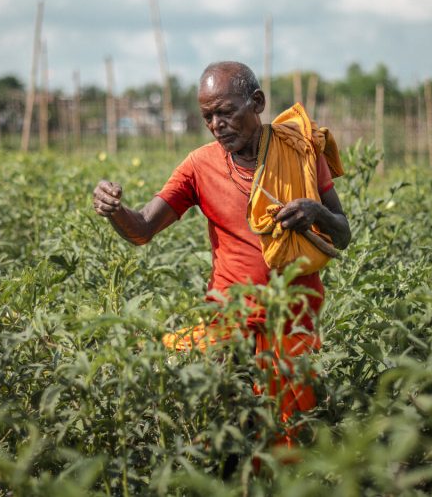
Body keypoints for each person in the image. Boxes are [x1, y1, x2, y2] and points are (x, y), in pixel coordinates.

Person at [91, 60, 351, 445]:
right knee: (224, 431)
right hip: (231, 318)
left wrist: (316, 213)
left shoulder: (299, 152)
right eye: (207, 116)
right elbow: (143, 228)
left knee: (287, 439)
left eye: (226, 112)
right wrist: (115, 212)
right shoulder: (199, 165)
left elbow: (342, 234)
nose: (216, 125)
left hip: (293, 319)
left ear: (257, 103)